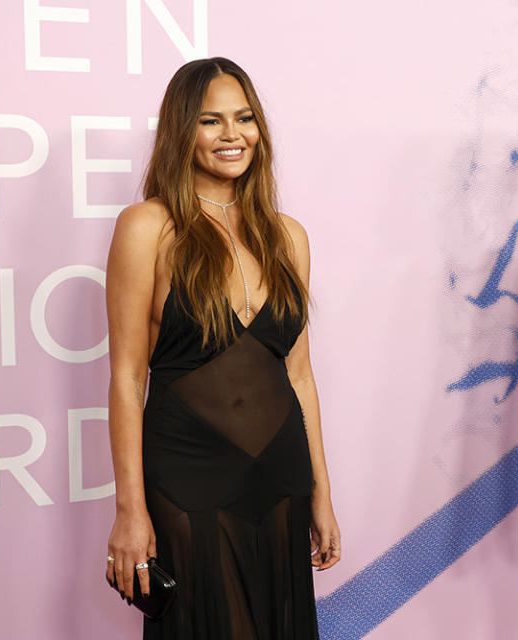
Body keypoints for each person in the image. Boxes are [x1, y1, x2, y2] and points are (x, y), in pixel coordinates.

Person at [104, 57, 340, 639]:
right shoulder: (148, 227)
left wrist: (322, 494)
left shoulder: (288, 236)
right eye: (212, 120)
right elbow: (129, 378)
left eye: (245, 118)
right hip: (188, 480)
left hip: (280, 478)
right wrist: (130, 510)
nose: (233, 135)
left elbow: (300, 375)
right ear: (183, 131)